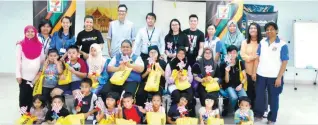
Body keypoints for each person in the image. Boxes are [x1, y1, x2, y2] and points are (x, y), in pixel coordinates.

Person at [253, 22, 289, 124]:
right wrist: (255, 72)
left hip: (274, 77)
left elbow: (285, 62)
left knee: (273, 98)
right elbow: (257, 58)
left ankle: (272, 118)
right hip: (261, 75)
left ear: (276, 31)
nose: (269, 31)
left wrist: (279, 78)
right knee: (259, 96)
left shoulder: (282, 44)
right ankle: (259, 114)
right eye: (267, 29)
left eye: (272, 29)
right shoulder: (262, 42)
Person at [16, 25, 43, 112]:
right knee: (24, 96)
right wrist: (18, 75)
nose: (30, 33)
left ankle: (32, 113)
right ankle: (24, 114)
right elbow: (18, 61)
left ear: (35, 33)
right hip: (24, 76)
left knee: (34, 96)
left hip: (36, 77)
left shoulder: (40, 45)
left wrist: (40, 72)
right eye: (28, 32)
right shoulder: (20, 45)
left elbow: (42, 60)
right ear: (25, 33)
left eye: (32, 32)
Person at [165, 47, 195, 117]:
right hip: (173, 84)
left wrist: (186, 78)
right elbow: (167, 79)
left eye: (183, 53)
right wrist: (175, 77)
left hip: (184, 84)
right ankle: (174, 114)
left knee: (190, 93)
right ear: (176, 53)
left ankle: (186, 113)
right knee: (177, 95)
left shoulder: (187, 64)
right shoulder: (170, 64)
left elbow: (191, 78)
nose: (181, 55)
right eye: (179, 53)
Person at [240, 22, 262, 109]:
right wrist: (254, 57)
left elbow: (261, 57)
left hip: (259, 71)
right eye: (251, 28)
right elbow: (243, 56)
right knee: (249, 91)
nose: (252, 30)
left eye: (255, 28)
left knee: (259, 92)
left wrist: (251, 58)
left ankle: (260, 110)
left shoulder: (262, 42)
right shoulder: (245, 42)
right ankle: (249, 109)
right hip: (247, 71)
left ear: (258, 30)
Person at [220, 45, 247, 110]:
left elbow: (245, 77)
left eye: (234, 52)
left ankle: (236, 108)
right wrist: (226, 71)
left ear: (237, 54)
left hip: (238, 85)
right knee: (234, 97)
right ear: (227, 53)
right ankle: (232, 108)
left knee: (244, 98)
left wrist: (241, 85)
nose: (232, 54)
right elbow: (226, 81)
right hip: (228, 86)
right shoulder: (223, 64)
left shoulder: (240, 62)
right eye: (230, 52)